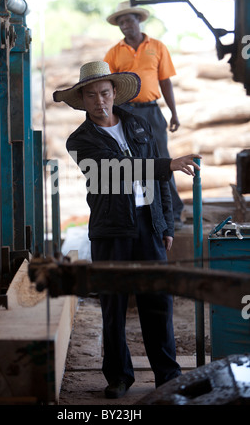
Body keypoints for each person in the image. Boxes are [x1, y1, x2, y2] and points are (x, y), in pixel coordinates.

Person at [53, 61, 201, 399]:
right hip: (110, 231)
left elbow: (157, 180)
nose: (99, 101)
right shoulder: (80, 140)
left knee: (157, 302)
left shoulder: (139, 123)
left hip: (147, 225)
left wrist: (163, 222)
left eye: (104, 93)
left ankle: (168, 376)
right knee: (114, 306)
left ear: (114, 92)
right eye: (90, 96)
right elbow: (116, 169)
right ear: (83, 100)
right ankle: (119, 376)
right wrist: (167, 165)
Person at [104, 1, 184, 230]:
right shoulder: (114, 52)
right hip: (126, 112)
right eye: (120, 23)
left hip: (152, 111)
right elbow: (108, 87)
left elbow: (165, 81)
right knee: (131, 161)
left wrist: (174, 113)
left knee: (163, 159)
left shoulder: (157, 46)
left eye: (128, 20)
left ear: (138, 21)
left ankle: (174, 214)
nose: (125, 26)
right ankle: (138, 213)